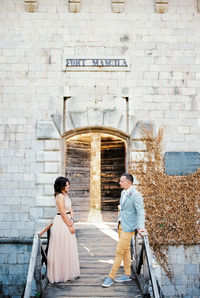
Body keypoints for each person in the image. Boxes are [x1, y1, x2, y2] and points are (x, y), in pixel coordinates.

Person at [102, 173, 146, 287]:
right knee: (126, 249)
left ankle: (110, 276)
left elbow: (140, 211)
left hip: (129, 227)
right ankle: (127, 274)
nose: (119, 183)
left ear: (128, 182)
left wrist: (141, 227)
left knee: (119, 250)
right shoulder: (123, 192)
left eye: (121, 181)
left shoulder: (136, 195)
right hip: (121, 225)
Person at [47, 176, 80, 283]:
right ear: (61, 186)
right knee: (62, 246)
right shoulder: (60, 197)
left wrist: (72, 219)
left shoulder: (66, 195)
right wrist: (70, 226)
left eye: (68, 184)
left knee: (68, 246)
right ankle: (60, 274)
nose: (68, 186)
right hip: (61, 222)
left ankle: (68, 271)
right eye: (66, 185)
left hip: (67, 220)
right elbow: (62, 212)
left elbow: (70, 209)